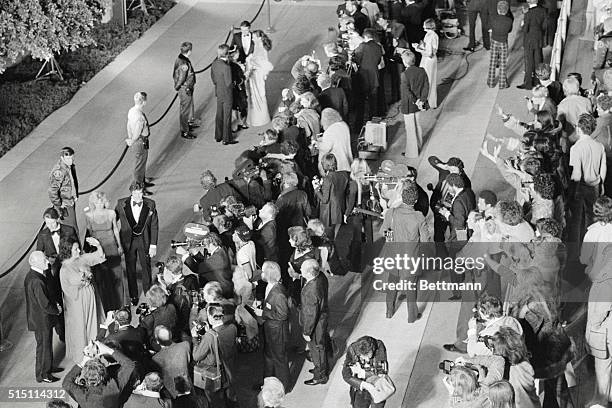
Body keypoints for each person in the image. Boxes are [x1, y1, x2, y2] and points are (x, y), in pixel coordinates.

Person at [381, 181, 431, 322]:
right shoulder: (418, 217)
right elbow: (426, 240)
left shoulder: (391, 213)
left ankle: (389, 311)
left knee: (392, 283)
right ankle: (412, 316)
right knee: (411, 288)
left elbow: (384, 232)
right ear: (415, 200)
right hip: (411, 257)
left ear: (402, 197)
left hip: (394, 255)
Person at [59, 237, 106, 364]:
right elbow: (68, 288)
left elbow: (98, 257)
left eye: (78, 247)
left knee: (93, 323)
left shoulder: (82, 258)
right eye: (75, 249)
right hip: (77, 303)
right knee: (80, 327)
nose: (79, 250)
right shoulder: (64, 269)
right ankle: (82, 357)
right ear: (68, 250)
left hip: (90, 298)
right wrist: (83, 281)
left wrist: (98, 245)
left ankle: (95, 351)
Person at [36, 207, 78, 342]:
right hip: (53, 274)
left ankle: (77, 327)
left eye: (52, 223)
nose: (50, 226)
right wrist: (48, 261)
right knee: (58, 302)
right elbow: (39, 254)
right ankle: (63, 333)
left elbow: (77, 250)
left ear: (57, 219)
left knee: (73, 298)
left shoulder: (69, 230)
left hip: (69, 269)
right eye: (47, 223)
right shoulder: (42, 235)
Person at [115, 181, 159, 306]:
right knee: (130, 269)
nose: (139, 196)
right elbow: (113, 221)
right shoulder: (121, 203)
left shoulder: (150, 204)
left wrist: (153, 245)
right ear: (131, 193)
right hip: (128, 241)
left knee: (146, 267)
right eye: (136, 193)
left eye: (140, 193)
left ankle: (148, 292)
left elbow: (154, 225)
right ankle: (133, 296)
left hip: (144, 240)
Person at [568, 113, 607, 248]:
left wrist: (571, 190)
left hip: (580, 187)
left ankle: (575, 251)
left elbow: (577, 174)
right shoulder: (599, 146)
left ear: (579, 128)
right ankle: (591, 246)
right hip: (595, 185)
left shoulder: (576, 148)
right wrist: (601, 183)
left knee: (577, 219)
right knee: (592, 217)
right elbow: (603, 167)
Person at [62, 341, 136, 408]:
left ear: (85, 377)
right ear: (104, 374)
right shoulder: (113, 387)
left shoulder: (80, 394)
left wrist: (82, 363)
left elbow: (66, 383)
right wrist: (108, 350)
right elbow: (129, 365)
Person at [25, 251, 62, 383]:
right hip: (42, 320)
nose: (47, 262)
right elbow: (45, 304)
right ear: (36, 263)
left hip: (39, 319)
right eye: (44, 260)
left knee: (44, 345)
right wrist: (56, 310)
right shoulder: (37, 280)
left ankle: (47, 367)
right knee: (44, 346)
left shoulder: (34, 275)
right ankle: (44, 374)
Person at [85, 191, 124, 312]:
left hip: (112, 247)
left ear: (105, 201)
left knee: (117, 276)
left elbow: (116, 230)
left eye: (101, 201)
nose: (99, 204)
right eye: (97, 202)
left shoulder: (111, 213)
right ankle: (107, 306)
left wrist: (119, 245)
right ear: (93, 203)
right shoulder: (89, 216)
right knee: (103, 277)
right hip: (98, 249)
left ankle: (121, 305)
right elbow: (90, 234)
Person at [192, 304, 238, 407]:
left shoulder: (209, 336)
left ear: (210, 317)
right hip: (229, 370)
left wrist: (195, 338)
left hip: (214, 373)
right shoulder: (232, 327)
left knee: (215, 401)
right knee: (229, 397)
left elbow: (196, 356)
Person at [260, 261, 290, 390]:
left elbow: (283, 315)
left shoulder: (278, 293)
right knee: (269, 357)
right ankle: (267, 383)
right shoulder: (270, 286)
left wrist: (263, 312)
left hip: (277, 331)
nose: (261, 273)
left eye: (263, 271)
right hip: (270, 329)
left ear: (269, 274)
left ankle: (284, 386)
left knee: (279, 359)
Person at [300, 259, 330, 385]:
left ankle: (320, 375)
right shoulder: (321, 277)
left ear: (309, 273)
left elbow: (311, 314)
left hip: (315, 325)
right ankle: (321, 368)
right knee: (320, 347)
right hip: (322, 319)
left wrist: (307, 331)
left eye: (302, 269)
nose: (300, 270)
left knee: (317, 349)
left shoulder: (311, 290)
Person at [314, 153, 350, 239]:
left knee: (326, 238)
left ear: (324, 165)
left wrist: (316, 189)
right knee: (335, 237)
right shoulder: (343, 175)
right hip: (339, 210)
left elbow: (324, 199)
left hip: (328, 214)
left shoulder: (327, 179)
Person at [400, 52, 429, 158]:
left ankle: (412, 153)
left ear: (404, 62)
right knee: (417, 125)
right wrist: (422, 100)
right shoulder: (422, 71)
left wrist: (415, 101)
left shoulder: (404, 75)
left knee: (410, 128)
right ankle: (419, 145)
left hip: (409, 105)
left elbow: (406, 91)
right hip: (420, 104)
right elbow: (426, 86)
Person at [353, 28, 383, 131]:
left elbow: (356, 58)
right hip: (375, 76)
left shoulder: (363, 46)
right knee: (373, 102)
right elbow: (378, 61)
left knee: (361, 102)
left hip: (363, 77)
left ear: (365, 37)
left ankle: (358, 126)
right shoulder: (378, 47)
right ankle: (373, 125)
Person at [151, 326, 192, 399]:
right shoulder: (185, 345)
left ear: (157, 342)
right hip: (188, 388)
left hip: (172, 394)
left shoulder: (155, 358)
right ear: (171, 335)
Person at [125, 91, 154, 189]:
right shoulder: (140, 116)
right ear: (144, 102)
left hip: (137, 141)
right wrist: (132, 140)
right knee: (139, 164)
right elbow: (138, 130)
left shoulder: (131, 111)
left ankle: (142, 181)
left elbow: (128, 124)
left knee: (141, 162)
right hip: (140, 142)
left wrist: (130, 137)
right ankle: (139, 187)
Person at [48, 146, 79, 235]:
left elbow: (72, 182)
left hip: (70, 201)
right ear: (62, 158)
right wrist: (59, 204)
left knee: (73, 227)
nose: (71, 160)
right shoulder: (59, 171)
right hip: (65, 205)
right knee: (71, 230)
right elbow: (52, 190)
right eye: (68, 158)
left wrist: (74, 195)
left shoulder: (69, 166)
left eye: (72, 158)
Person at [246, 30, 274, 127]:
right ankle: (258, 117)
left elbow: (263, 63)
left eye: (254, 37)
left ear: (258, 38)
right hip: (255, 74)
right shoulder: (259, 46)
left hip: (257, 75)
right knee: (255, 95)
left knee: (257, 95)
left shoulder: (260, 47)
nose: (252, 38)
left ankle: (259, 119)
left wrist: (250, 60)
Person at [517, 0, 547, 90]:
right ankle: (538, 81)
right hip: (538, 37)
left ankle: (528, 83)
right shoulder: (543, 10)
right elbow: (545, 25)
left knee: (529, 61)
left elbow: (525, 29)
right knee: (538, 60)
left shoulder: (528, 13)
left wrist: (522, 25)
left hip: (529, 39)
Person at [139, 285, 178, 351]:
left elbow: (144, 332)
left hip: (157, 344)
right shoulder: (172, 307)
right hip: (173, 337)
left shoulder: (151, 317)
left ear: (152, 301)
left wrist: (142, 318)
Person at [212, 44, 237, 145]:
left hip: (219, 91)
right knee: (227, 116)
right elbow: (229, 83)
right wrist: (234, 84)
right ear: (227, 54)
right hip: (227, 94)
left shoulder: (214, 64)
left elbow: (213, 78)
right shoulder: (226, 67)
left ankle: (218, 135)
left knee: (219, 114)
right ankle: (227, 138)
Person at [173, 41, 198, 139]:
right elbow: (181, 78)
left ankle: (187, 124)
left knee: (187, 108)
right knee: (185, 110)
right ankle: (185, 131)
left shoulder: (180, 58)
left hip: (186, 88)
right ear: (189, 51)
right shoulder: (184, 64)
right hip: (185, 89)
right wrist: (178, 87)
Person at [317, 108, 353, 174]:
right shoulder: (344, 125)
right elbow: (338, 138)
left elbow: (326, 148)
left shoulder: (330, 130)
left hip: (336, 164)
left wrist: (317, 144)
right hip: (347, 161)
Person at [487, 1, 514, 89]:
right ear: (506, 11)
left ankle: (491, 83)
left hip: (494, 41)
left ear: (498, 10)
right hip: (503, 42)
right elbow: (509, 30)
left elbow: (489, 27)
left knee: (492, 62)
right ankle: (502, 84)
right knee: (503, 63)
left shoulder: (493, 18)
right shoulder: (509, 20)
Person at [414, 18, 438, 109]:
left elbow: (429, 53)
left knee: (428, 81)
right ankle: (430, 101)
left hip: (428, 60)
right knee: (430, 80)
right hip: (430, 60)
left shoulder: (430, 36)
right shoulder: (431, 35)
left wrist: (417, 49)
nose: (423, 27)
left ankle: (427, 101)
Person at [229, 50, 249, 132]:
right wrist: (245, 75)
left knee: (234, 107)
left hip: (231, 91)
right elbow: (241, 78)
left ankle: (235, 126)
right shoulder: (236, 66)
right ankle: (243, 123)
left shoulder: (227, 65)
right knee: (243, 107)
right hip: (240, 90)